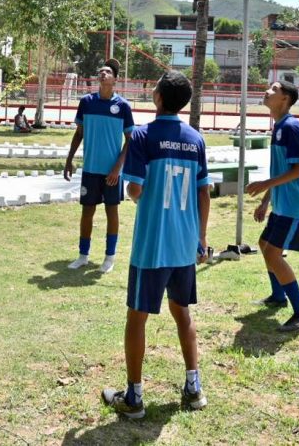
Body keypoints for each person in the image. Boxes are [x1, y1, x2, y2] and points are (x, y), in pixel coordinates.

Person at [101, 70, 210, 419]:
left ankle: (133, 397)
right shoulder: (196, 139)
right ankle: (193, 388)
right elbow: (203, 191)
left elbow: (134, 189)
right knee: (182, 312)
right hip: (183, 246)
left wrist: (142, 197)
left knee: (137, 316)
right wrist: (201, 238)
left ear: (158, 98)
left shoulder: (143, 136)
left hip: (152, 246)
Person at [245, 80, 299, 335]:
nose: (267, 91)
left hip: (298, 206)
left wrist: (266, 184)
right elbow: (282, 169)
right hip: (283, 203)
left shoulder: (291, 127)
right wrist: (266, 200)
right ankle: (278, 297)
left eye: (274, 90)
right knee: (265, 246)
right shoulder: (279, 126)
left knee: (274, 254)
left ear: (285, 99)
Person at [63, 58, 134, 273]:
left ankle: (109, 258)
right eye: (101, 71)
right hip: (90, 169)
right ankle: (83, 256)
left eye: (108, 72)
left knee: (112, 213)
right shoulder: (86, 102)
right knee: (87, 213)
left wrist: (117, 168)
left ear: (115, 79)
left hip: (112, 172)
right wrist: (69, 160)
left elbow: (130, 140)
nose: (103, 74)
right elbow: (79, 133)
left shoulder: (122, 106)